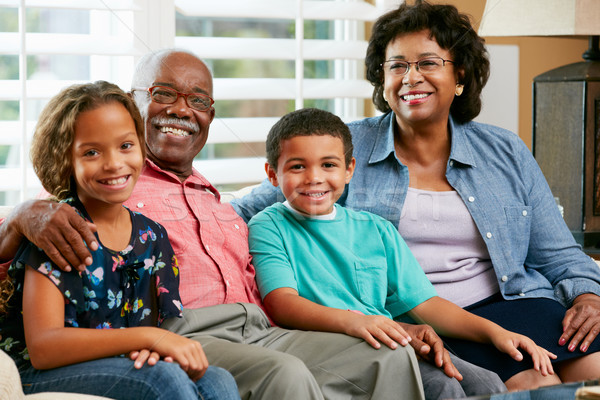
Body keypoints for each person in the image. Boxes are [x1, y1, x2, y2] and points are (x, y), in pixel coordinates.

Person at [0, 50, 432, 400]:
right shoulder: (101, 192)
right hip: (188, 329)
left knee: (390, 358)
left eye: (199, 100)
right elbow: (44, 220)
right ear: (135, 104)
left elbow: (306, 183)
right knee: (283, 375)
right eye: (164, 92)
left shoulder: (222, 203)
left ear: (211, 115)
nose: (182, 109)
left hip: (261, 328)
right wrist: (23, 213)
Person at [231, 0, 600, 391]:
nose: (411, 77)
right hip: (427, 319)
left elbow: (558, 253)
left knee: (593, 371)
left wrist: (589, 297)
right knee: (533, 383)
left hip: (517, 302)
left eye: (427, 63)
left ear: (459, 76)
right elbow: (252, 205)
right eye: (397, 65)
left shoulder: (505, 150)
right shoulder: (344, 146)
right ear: (383, 81)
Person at [248, 107, 558, 398]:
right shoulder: (269, 225)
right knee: (441, 387)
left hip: (389, 339)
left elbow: (425, 304)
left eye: (328, 165)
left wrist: (496, 333)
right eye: (298, 166)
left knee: (486, 383)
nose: (314, 177)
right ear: (273, 174)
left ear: (349, 170)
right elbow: (282, 303)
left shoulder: (376, 229)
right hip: (336, 344)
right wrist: (357, 322)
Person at [0, 81, 240, 400]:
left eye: (125, 146)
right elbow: (44, 349)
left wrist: (157, 349)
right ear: (65, 161)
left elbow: (151, 331)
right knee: (163, 381)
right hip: (37, 372)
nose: (114, 163)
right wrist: (147, 339)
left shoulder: (151, 236)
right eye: (92, 152)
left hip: (113, 363)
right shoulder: (58, 229)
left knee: (218, 380)